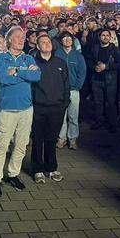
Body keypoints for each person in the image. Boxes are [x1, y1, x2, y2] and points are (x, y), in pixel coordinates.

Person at [0, 27, 41, 196]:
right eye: (18, 37)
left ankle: (13, 174)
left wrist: (17, 71)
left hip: (26, 108)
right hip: (8, 108)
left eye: (23, 37)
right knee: (2, 145)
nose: (21, 39)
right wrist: (25, 73)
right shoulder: (1, 58)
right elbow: (3, 78)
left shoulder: (28, 57)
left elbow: (37, 76)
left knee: (21, 144)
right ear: (9, 40)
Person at [31, 34, 69, 183]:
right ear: (38, 46)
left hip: (57, 108)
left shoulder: (60, 63)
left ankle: (52, 167)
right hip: (38, 107)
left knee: (51, 139)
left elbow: (66, 84)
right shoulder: (33, 63)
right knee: (37, 139)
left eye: (48, 42)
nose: (46, 44)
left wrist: (64, 103)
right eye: (43, 42)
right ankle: (37, 169)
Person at [56, 31, 86, 149]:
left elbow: (82, 73)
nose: (67, 40)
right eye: (64, 38)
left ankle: (73, 138)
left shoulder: (78, 56)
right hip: (60, 90)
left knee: (73, 116)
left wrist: (78, 86)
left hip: (73, 90)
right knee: (61, 116)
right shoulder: (57, 54)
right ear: (61, 41)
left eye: (69, 38)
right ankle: (61, 138)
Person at [89, 29, 120, 132]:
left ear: (110, 37)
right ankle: (99, 121)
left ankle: (112, 123)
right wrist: (94, 67)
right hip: (96, 79)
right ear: (99, 37)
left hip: (110, 80)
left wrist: (107, 66)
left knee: (111, 102)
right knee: (98, 102)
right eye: (103, 35)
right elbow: (89, 60)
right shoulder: (95, 48)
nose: (105, 37)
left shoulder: (114, 49)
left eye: (107, 35)